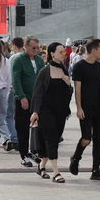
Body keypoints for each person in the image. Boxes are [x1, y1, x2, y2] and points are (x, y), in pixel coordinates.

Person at [30, 42, 72, 183]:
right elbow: (37, 93)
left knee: (54, 139)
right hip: (46, 110)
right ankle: (56, 172)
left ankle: (41, 166)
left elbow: (68, 94)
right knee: (51, 139)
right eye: (60, 52)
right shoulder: (44, 71)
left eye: (64, 52)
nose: (62, 54)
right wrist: (35, 112)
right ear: (52, 53)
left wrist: (68, 84)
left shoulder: (64, 70)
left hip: (60, 112)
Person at [69, 39, 100, 181]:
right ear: (93, 50)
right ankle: (76, 157)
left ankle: (96, 169)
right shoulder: (79, 66)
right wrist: (79, 108)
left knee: (97, 139)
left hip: (99, 108)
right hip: (86, 108)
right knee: (86, 138)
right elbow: (78, 89)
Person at [11, 36, 45, 167]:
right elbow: (16, 79)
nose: (36, 50)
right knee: (22, 128)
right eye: (33, 47)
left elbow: (43, 77)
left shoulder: (39, 60)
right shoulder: (19, 60)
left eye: (37, 48)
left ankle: (34, 151)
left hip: (37, 99)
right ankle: (23, 154)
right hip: (24, 99)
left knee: (37, 128)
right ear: (26, 46)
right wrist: (21, 97)